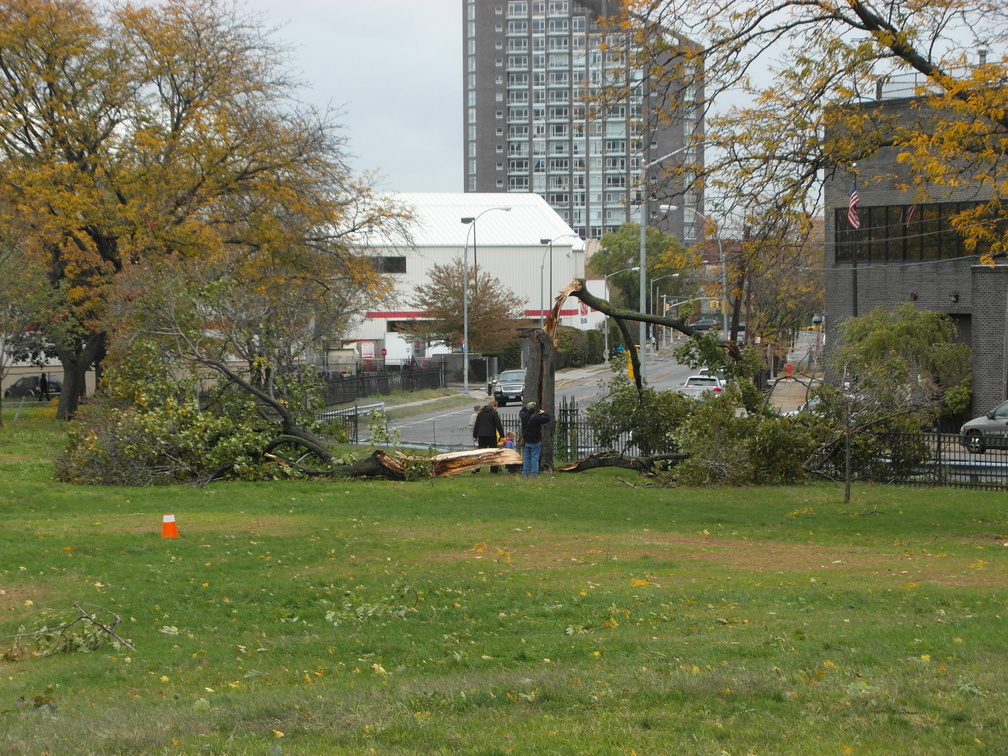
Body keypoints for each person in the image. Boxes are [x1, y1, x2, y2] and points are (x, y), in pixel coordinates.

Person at [519, 401, 551, 478]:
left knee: (526, 457)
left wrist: (527, 405)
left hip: (526, 440)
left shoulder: (523, 416)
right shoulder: (537, 418)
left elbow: (521, 411)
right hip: (535, 440)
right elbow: (548, 418)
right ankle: (534, 474)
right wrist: (543, 413)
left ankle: (525, 473)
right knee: (534, 457)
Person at [472, 400, 504, 473]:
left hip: (481, 435)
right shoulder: (493, 413)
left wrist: (475, 435)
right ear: (493, 406)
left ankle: (476, 468)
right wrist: (502, 435)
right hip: (491, 435)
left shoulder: (481, 412)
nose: (496, 408)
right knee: (493, 452)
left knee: (481, 453)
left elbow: (477, 425)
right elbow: (498, 424)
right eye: (496, 406)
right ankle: (494, 469)